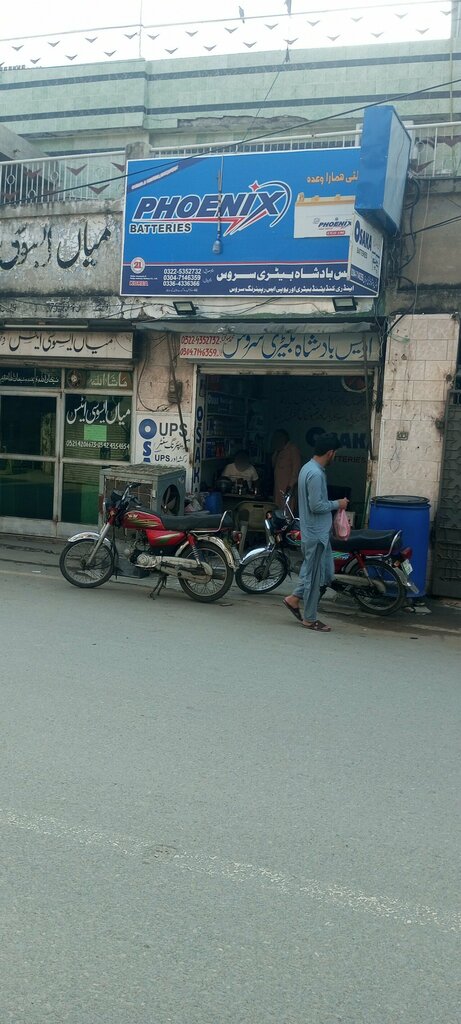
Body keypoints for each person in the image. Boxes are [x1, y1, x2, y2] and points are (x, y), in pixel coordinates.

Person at [283, 433, 349, 633]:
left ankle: (294, 598)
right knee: (314, 578)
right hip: (315, 534)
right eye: (335, 453)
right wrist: (338, 504)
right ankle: (310, 619)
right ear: (330, 453)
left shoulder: (308, 468)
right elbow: (316, 505)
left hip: (317, 532)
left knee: (323, 573)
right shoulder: (315, 474)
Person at [271, 429, 302, 508]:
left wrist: (290, 486)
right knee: (277, 507)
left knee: (287, 508)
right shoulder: (279, 451)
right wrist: (276, 451)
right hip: (278, 487)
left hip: (288, 487)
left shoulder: (293, 449)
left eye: (278, 437)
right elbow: (273, 464)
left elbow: (296, 469)